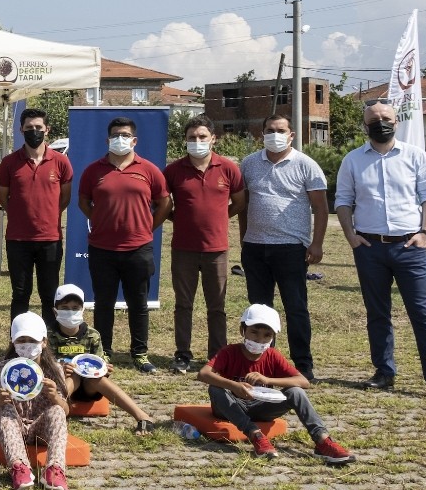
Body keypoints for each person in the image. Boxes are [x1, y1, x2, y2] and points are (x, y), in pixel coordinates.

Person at [335, 102, 426, 403]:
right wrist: (350, 236)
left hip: (409, 247)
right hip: (370, 247)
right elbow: (343, 200)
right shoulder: (352, 160)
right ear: (364, 126)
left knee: (423, 314)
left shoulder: (415, 156)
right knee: (377, 314)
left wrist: (425, 233)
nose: (380, 123)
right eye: (374, 120)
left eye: (386, 118)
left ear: (397, 122)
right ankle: (384, 372)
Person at [196, 305, 357, 464]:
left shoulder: (272, 355)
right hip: (232, 407)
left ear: (273, 337)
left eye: (267, 335)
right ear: (242, 331)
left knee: (296, 392)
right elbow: (203, 374)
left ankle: (322, 440)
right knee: (215, 389)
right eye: (254, 332)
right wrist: (234, 386)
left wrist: (268, 380)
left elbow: (303, 382)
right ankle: (255, 435)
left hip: (261, 406)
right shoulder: (229, 352)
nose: (259, 340)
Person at [238, 114, 328, 381]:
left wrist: (317, 243)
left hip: (290, 248)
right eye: (269, 130)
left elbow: (321, 208)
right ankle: (261, 362)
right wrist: (244, 238)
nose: (274, 135)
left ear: (292, 135)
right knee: (259, 310)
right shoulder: (249, 163)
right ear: (261, 133)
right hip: (255, 247)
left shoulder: (306, 165)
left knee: (295, 307)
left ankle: (303, 364)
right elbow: (244, 205)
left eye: (280, 130)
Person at [78, 116, 169, 373]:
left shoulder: (149, 169)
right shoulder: (93, 170)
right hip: (102, 248)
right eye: (116, 135)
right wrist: (100, 220)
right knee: (103, 302)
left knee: (138, 303)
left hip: (138, 248)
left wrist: (146, 226)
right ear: (108, 140)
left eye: (125, 134)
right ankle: (103, 351)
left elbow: (164, 203)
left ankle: (139, 353)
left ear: (134, 140)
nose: (121, 139)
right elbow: (83, 202)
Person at [160, 116, 247, 374]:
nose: (197, 142)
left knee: (217, 306)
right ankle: (182, 355)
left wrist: (220, 217)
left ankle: (217, 356)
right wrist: (182, 219)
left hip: (216, 249)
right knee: (183, 305)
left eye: (202, 137)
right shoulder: (174, 170)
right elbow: (164, 206)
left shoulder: (228, 168)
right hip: (183, 249)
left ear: (213, 139)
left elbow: (239, 202)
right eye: (191, 138)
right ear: (185, 140)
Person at [0, 106, 75, 322]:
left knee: (49, 295)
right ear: (21, 130)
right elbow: (3, 197)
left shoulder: (61, 162)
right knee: (20, 294)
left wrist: (48, 215)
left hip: (50, 239)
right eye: (29, 127)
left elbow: (65, 198)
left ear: (47, 129)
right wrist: (21, 215)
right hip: (17, 239)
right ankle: (18, 341)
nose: (34, 131)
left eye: (38, 127)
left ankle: (48, 341)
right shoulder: (9, 163)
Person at [45, 285, 156, 432]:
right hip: (61, 383)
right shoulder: (47, 334)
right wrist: (60, 368)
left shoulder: (92, 334)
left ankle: (142, 416)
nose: (70, 311)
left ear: (82, 310)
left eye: (75, 307)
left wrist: (104, 369)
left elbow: (97, 363)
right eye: (64, 307)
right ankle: (54, 409)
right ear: (55, 310)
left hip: (89, 387)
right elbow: (45, 365)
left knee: (98, 378)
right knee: (74, 375)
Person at [0, 314, 73, 490]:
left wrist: (55, 397)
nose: (27, 345)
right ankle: (19, 468)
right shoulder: (4, 369)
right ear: (13, 342)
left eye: (32, 340)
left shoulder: (54, 369)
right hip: (16, 425)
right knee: (5, 411)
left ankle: (55, 470)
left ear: (44, 342)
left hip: (40, 426)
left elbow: (65, 410)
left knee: (56, 411)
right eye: (22, 340)